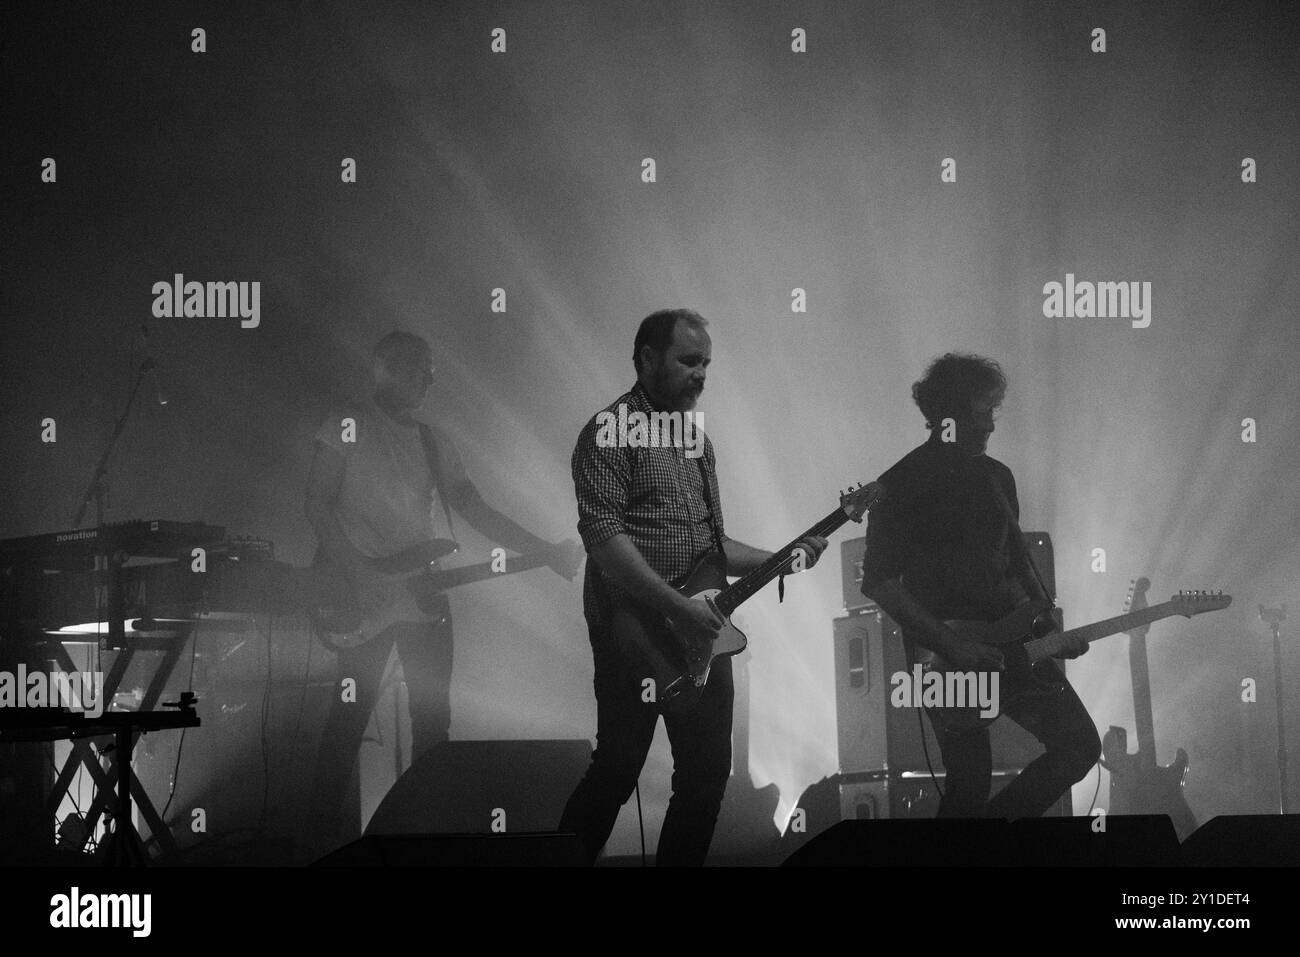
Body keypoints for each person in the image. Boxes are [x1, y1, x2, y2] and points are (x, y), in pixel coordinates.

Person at [559, 308, 826, 865]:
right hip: (632, 627)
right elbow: (603, 539)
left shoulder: (696, 442)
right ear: (647, 359)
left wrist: (784, 557)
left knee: (705, 777)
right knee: (618, 767)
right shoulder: (608, 431)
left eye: (706, 362)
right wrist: (677, 607)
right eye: (688, 360)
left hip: (702, 623)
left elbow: (714, 545)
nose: (701, 373)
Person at [304, 330, 581, 852]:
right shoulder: (347, 424)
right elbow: (317, 505)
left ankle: (424, 844)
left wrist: (544, 549)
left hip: (423, 598)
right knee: (347, 723)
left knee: (433, 725)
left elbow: (475, 510)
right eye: (419, 368)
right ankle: (318, 849)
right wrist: (361, 577)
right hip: (360, 592)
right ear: (385, 367)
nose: (431, 379)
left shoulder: (434, 441)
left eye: (431, 370)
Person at [860, 352, 1100, 818]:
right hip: (944, 654)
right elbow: (879, 582)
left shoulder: (997, 477)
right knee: (969, 778)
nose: (991, 425)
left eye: (994, 410)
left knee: (1078, 747)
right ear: (946, 413)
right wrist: (952, 644)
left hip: (1014, 643)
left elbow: (1014, 563)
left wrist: (1045, 623)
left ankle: (992, 840)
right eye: (982, 411)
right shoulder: (901, 482)